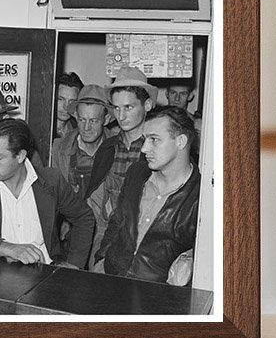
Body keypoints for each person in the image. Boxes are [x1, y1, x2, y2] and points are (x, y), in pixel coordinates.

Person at [0, 118, 94, 269]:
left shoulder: (51, 181)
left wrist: (74, 264)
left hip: (44, 273)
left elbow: (83, 217)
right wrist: (8, 248)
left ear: (20, 156)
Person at [93, 105, 201, 285]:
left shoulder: (201, 195)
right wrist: (101, 260)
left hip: (157, 295)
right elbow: (118, 220)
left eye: (154, 140)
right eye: (144, 139)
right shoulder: (137, 173)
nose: (143, 148)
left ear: (180, 141)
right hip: (112, 279)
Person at [84, 66, 157, 270]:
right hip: (103, 235)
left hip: (140, 240)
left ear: (148, 105)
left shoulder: (158, 150)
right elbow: (95, 198)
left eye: (128, 107)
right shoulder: (107, 148)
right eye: (116, 108)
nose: (121, 115)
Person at [50, 83, 111, 200]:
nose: (86, 128)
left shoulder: (118, 149)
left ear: (106, 120)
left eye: (93, 121)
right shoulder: (58, 149)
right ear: (76, 116)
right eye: (82, 120)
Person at [54, 72, 83, 138]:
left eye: (72, 101)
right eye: (60, 99)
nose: (66, 107)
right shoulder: (38, 129)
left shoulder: (81, 130)